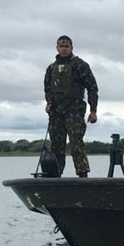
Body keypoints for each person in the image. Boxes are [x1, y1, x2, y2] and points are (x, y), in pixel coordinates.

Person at [44, 35, 99, 178]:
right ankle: (55, 174)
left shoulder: (80, 65)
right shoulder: (51, 68)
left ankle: (82, 174)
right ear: (57, 48)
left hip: (74, 109)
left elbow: (92, 88)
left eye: (66, 46)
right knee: (56, 144)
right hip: (56, 110)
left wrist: (93, 111)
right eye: (61, 46)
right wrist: (49, 103)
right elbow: (47, 88)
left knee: (76, 142)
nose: (63, 49)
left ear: (71, 48)